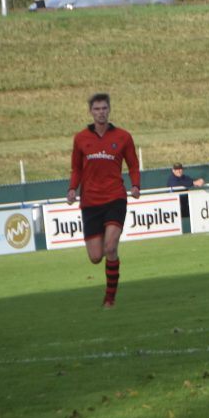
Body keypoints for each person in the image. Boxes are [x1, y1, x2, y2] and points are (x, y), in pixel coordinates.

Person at [67, 93, 140, 308]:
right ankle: (110, 292)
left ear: (109, 110)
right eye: (97, 109)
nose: (101, 112)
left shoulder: (123, 136)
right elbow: (76, 168)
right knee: (96, 256)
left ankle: (110, 298)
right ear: (91, 112)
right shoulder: (80, 138)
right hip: (90, 202)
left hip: (115, 197)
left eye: (104, 108)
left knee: (110, 247)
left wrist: (135, 185)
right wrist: (72, 189)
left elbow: (133, 165)